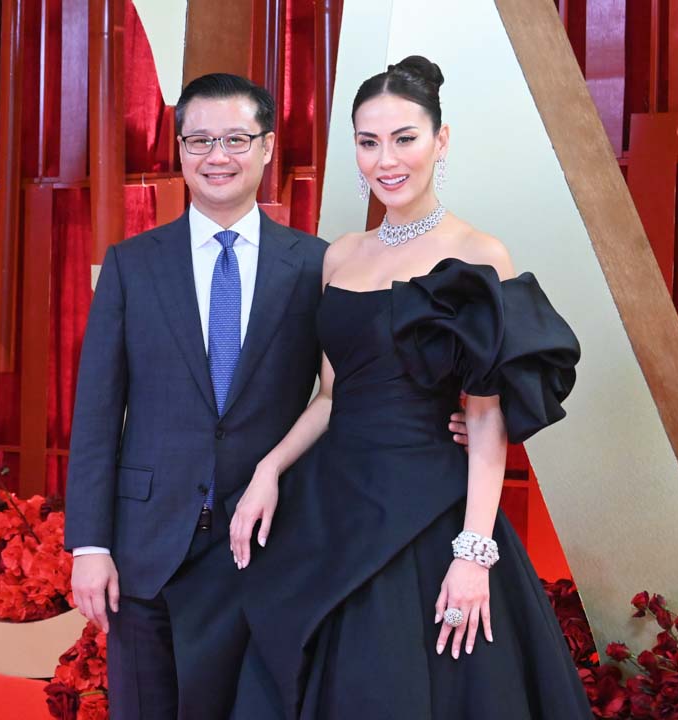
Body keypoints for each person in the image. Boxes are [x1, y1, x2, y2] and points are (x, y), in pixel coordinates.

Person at [63, 72, 469, 720]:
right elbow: (95, 415)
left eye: (235, 139)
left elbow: (350, 387)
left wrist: (454, 416)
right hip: (146, 546)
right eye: (199, 140)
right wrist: (90, 547)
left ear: (268, 146)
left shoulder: (315, 264)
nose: (216, 156)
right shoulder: (131, 265)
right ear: (179, 148)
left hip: (264, 547)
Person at [226, 56, 592, 719]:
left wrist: (474, 553)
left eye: (405, 138)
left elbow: (485, 419)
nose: (386, 160)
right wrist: (269, 469)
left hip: (427, 509)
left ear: (440, 141)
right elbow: (333, 396)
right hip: (333, 504)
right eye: (368, 142)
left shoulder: (479, 255)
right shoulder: (340, 255)